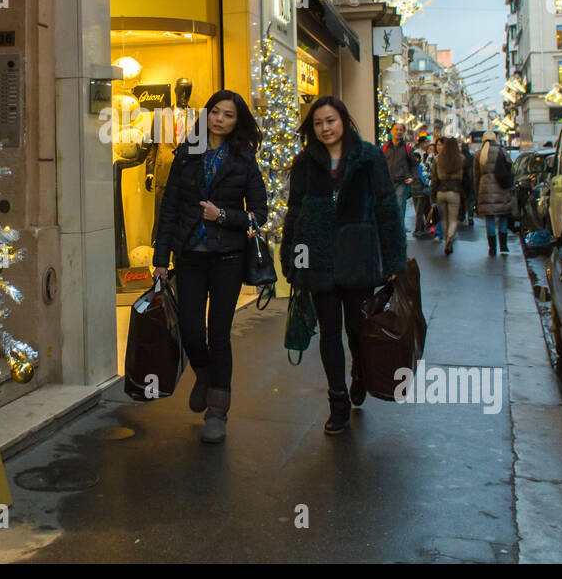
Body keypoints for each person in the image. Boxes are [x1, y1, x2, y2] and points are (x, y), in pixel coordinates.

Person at [281, 97, 408, 436]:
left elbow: (386, 208)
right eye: (319, 123)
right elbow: (295, 215)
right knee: (329, 334)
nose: (325, 128)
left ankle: (360, 374)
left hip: (358, 259)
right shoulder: (305, 162)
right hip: (319, 261)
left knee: (357, 329)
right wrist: (294, 260)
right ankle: (337, 402)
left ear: (344, 121)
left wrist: (393, 258)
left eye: (331, 121)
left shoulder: (368, 158)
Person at [153, 90, 267, 444]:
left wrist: (223, 216)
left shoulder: (244, 159)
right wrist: (160, 259)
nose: (220, 119)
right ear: (207, 116)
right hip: (188, 256)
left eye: (228, 114)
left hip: (227, 258)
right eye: (215, 112)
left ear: (237, 121)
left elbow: (258, 215)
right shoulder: (186, 154)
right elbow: (169, 207)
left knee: (219, 335)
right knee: (190, 330)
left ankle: (217, 410)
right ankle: (203, 374)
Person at [473, 130, 515, 256]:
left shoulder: (479, 154)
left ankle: (492, 247)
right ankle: (503, 245)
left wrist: (477, 193)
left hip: (485, 189)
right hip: (501, 189)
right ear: (495, 139)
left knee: (489, 219)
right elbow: (511, 170)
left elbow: (475, 176)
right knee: (502, 217)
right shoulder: (502, 151)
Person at [431, 137, 465, 255]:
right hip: (454, 191)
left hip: (441, 191)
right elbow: (465, 178)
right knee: (453, 219)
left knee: (444, 219)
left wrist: (432, 194)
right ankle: (450, 237)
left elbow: (434, 179)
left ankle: (446, 241)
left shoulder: (438, 159)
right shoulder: (461, 159)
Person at [381, 122, 415, 225]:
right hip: (387, 183)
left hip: (401, 183)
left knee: (400, 207)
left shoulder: (407, 148)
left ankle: (399, 232)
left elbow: (414, 164)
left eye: (400, 130)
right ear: (391, 131)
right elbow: (379, 163)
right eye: (396, 129)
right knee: (387, 208)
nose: (398, 131)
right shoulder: (384, 147)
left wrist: (412, 177)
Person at [460, 139, 475, 226]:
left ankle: (462, 214)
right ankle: (470, 216)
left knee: (462, 198)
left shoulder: (459, 157)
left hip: (461, 181)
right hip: (470, 181)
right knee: (471, 200)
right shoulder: (471, 157)